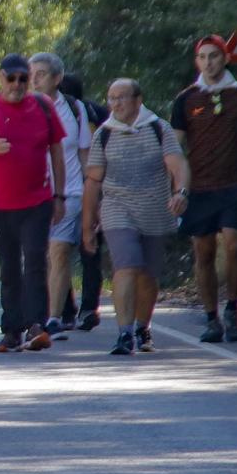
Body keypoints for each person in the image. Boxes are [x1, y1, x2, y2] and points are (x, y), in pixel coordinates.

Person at [0, 53, 67, 352]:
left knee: (34, 259)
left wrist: (60, 196)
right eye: (12, 78)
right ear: (0, 77)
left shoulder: (43, 107)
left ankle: (36, 325)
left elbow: (57, 152)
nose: (17, 84)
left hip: (38, 200)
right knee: (9, 267)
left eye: (24, 79)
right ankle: (11, 329)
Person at [171, 34, 237, 343]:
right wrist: (176, 189)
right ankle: (212, 318)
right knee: (203, 252)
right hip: (199, 187)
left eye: (214, 56)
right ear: (197, 61)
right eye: (203, 57)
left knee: (234, 245)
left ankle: (232, 308)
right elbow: (175, 146)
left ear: (225, 58)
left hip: (234, 184)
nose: (209, 62)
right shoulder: (186, 99)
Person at [83, 78, 188, 356]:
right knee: (127, 265)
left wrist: (181, 192)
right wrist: (87, 225)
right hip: (117, 208)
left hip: (154, 211)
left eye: (122, 97)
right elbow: (93, 181)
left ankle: (143, 326)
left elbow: (178, 165)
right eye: (111, 98)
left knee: (148, 274)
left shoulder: (158, 128)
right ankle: (124, 333)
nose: (115, 103)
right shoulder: (103, 133)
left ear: (138, 100)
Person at [30, 52, 93, 338]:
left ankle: (53, 318)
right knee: (37, 257)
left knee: (59, 252)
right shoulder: (22, 108)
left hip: (69, 194)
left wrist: (94, 197)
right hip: (30, 196)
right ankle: (36, 314)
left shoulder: (75, 109)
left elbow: (84, 155)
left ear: (57, 78)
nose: (34, 79)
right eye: (32, 73)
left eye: (41, 73)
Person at [56, 72, 106, 330]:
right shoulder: (98, 112)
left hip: (70, 189)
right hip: (95, 186)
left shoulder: (66, 111)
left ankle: (65, 309)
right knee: (90, 253)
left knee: (58, 254)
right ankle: (89, 308)